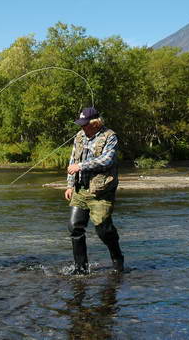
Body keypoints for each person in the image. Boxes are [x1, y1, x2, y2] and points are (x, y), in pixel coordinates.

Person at [65, 107, 124, 275]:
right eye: (81, 124)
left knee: (103, 230)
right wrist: (70, 185)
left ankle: (117, 258)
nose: (82, 128)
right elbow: (73, 161)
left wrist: (81, 166)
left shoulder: (110, 137)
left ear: (95, 123)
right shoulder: (79, 137)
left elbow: (107, 160)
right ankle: (80, 270)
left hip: (101, 192)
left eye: (85, 125)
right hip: (80, 190)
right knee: (75, 227)